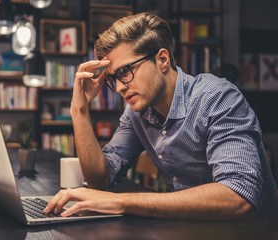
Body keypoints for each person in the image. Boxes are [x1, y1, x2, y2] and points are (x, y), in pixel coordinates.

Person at [44, 12, 278, 223]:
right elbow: (100, 180)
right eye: (112, 78)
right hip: (190, 229)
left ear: (162, 60)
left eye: (125, 71)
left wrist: (121, 202)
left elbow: (239, 196)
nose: (119, 87)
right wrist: (80, 110)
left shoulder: (216, 97)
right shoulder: (137, 113)